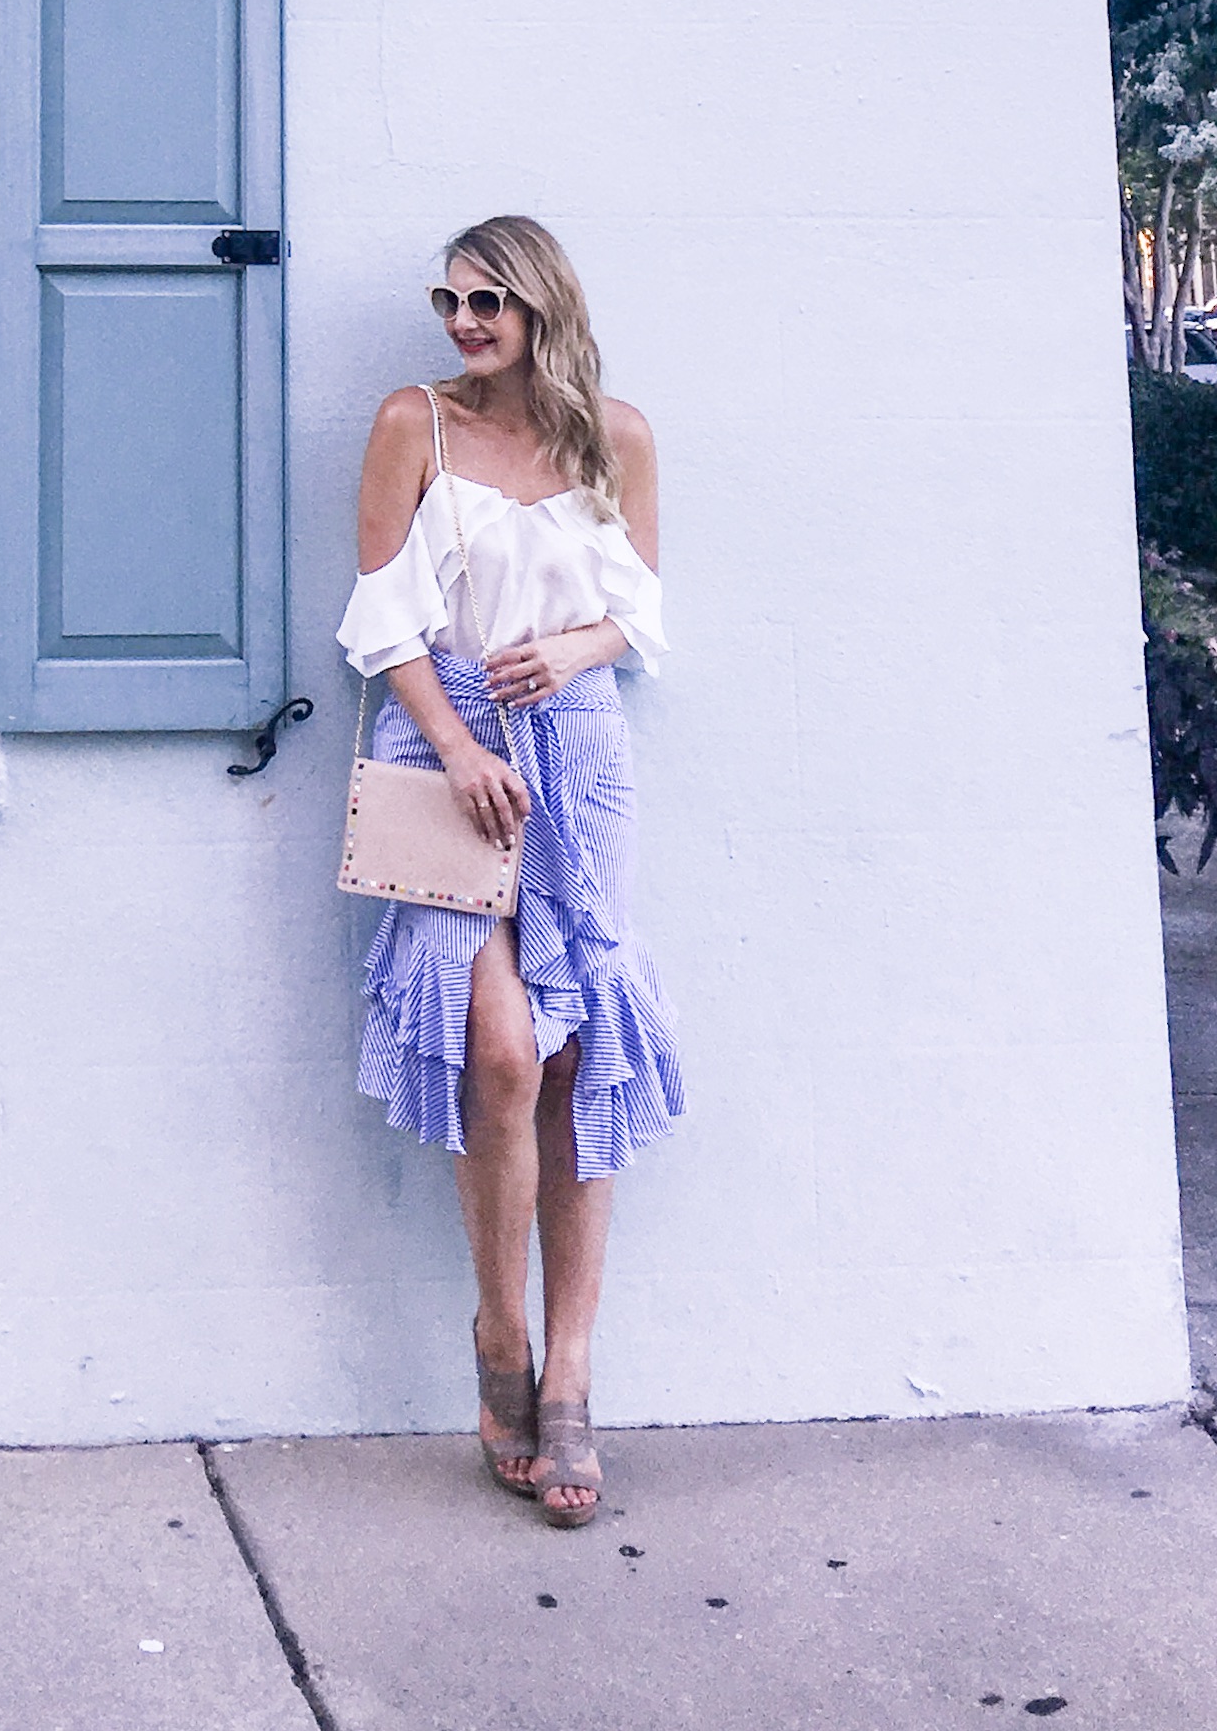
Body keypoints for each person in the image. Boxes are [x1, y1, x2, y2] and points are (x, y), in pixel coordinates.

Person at [339, 214, 684, 1527]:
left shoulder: (617, 435)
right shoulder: (409, 424)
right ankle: (498, 1340)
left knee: (577, 1045)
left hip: (576, 754)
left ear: (542, 307)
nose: (464, 324)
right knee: (494, 1051)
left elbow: (638, 615)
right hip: (444, 748)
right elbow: (378, 616)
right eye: (450, 302)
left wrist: (578, 651)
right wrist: (452, 738)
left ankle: (572, 1374)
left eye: (488, 302)